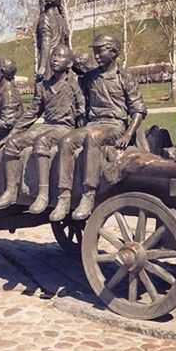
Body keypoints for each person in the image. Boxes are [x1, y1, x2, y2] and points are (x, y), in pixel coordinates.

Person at [50, 34, 147, 222]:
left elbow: (138, 110)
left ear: (114, 51)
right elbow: (75, 89)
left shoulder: (125, 77)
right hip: (93, 124)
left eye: (99, 51)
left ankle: (88, 195)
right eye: (94, 52)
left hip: (114, 126)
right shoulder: (89, 78)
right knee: (67, 140)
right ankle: (64, 196)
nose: (96, 56)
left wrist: (128, 134)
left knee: (93, 137)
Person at [0, 44, 85, 213]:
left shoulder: (74, 84)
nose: (55, 59)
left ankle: (43, 193)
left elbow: (82, 110)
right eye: (53, 56)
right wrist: (12, 133)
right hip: (47, 126)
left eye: (60, 56)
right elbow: (32, 113)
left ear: (70, 63)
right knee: (13, 143)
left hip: (65, 128)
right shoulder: (43, 86)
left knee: (41, 141)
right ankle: (11, 190)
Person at [36, 0, 70, 81]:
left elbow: (46, 43)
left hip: (50, 61)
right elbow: (67, 44)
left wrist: (42, 67)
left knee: (45, 90)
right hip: (62, 60)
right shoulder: (62, 20)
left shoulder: (45, 18)